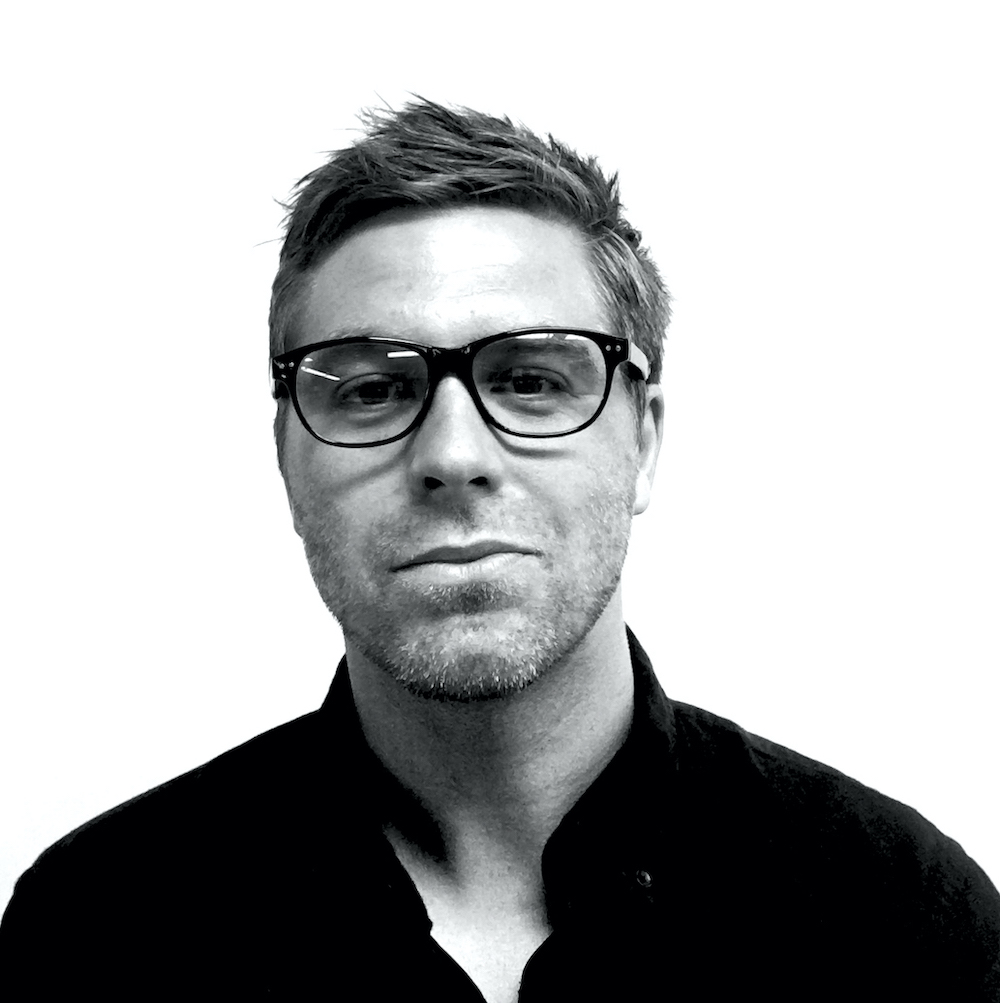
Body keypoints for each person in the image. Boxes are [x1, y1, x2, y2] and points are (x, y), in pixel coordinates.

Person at [2, 99, 998, 1002]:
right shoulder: (95, 934)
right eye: (370, 390)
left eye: (530, 380)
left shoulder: (905, 924)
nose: (452, 455)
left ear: (644, 441)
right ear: (286, 455)